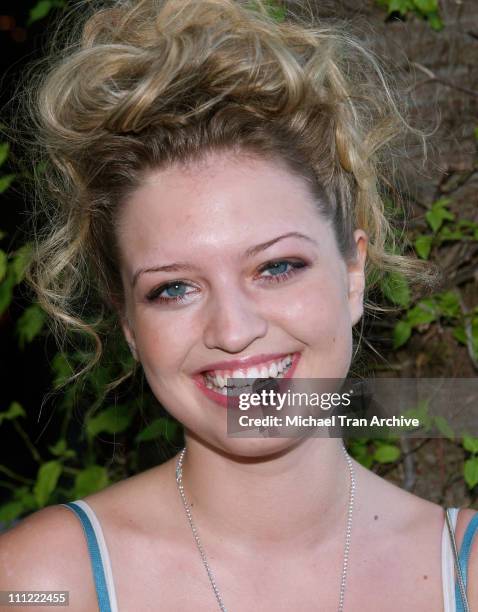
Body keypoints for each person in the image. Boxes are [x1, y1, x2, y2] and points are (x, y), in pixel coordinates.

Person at [1, 0, 477, 610]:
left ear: (353, 272)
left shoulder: (465, 574)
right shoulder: (43, 582)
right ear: (127, 323)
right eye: (173, 288)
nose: (233, 330)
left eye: (276, 268)